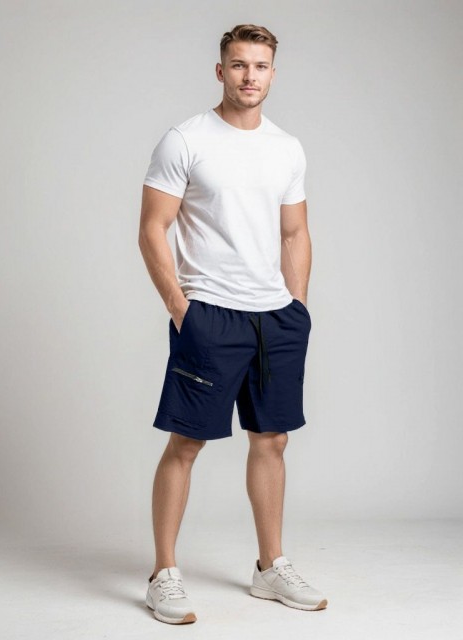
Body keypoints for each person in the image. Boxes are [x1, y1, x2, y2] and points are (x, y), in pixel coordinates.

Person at [138, 23, 327, 625]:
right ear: (221, 71)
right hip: (210, 313)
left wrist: (297, 306)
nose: (250, 76)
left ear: (273, 73)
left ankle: (270, 567)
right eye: (240, 65)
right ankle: (163, 573)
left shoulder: (287, 147)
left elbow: (294, 232)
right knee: (186, 442)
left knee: (272, 440)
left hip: (275, 317)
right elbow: (152, 228)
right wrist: (181, 308)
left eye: (261, 66)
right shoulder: (186, 140)